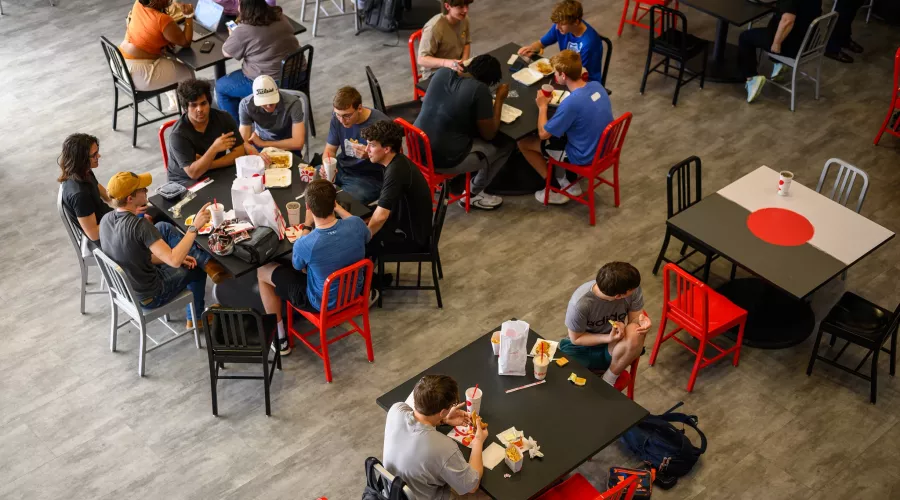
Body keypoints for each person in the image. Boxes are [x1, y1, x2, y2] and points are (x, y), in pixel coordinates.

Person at [99, 172, 228, 328]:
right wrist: (194, 227)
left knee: (162, 228)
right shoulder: (140, 226)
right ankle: (196, 319)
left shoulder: (106, 220)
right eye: (142, 189)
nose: (146, 190)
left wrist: (178, 257)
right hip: (151, 295)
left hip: (129, 289)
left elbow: (136, 255)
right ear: (129, 199)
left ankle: (205, 261)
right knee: (197, 270)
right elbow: (174, 261)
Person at [256, 180, 370, 355]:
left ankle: (280, 339)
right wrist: (338, 208)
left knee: (262, 270)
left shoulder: (307, 243)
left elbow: (297, 265)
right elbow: (366, 234)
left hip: (320, 302)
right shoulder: (357, 225)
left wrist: (307, 225)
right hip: (353, 293)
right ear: (334, 202)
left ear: (308, 207)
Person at [414, 56, 514, 210]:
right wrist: (500, 99)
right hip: (442, 161)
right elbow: (490, 134)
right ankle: (474, 194)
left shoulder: (442, 73)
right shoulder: (480, 90)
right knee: (506, 145)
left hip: (417, 148)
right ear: (489, 82)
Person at [517, 50, 613, 206]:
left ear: (563, 75)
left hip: (584, 156)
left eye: (555, 73)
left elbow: (543, 134)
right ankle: (568, 180)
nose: (554, 76)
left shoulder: (572, 103)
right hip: (604, 147)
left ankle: (552, 189)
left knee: (524, 143)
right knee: (566, 131)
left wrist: (542, 106)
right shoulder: (597, 86)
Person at [383, 375, 489, 500]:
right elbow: (472, 486)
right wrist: (478, 441)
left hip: (391, 491)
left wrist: (443, 419)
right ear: (443, 411)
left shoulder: (396, 409)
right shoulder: (444, 448)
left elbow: (420, 417)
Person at [558, 262, 652, 387]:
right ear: (618, 296)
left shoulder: (632, 290)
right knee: (565, 381)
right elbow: (576, 338)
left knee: (635, 331)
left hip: (613, 347)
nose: (636, 291)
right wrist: (607, 338)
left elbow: (635, 318)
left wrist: (641, 323)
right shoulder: (581, 304)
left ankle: (608, 379)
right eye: (632, 290)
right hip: (580, 348)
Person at [217, 0, 301, 122]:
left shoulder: (244, 30)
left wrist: (233, 35)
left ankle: (236, 132)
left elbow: (226, 52)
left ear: (245, 8)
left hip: (270, 83)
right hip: (297, 75)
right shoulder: (279, 16)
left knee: (221, 87)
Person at [360, 120, 434, 256]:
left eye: (371, 145)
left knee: (354, 241)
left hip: (411, 238)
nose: (366, 150)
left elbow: (381, 216)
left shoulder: (396, 171)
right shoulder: (396, 161)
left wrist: (365, 237)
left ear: (387, 149)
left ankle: (369, 276)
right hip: (400, 220)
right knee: (359, 218)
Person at [737, 0, 822, 103]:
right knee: (773, 25)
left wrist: (777, 43)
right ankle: (779, 65)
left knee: (745, 37)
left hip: (790, 46)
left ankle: (751, 79)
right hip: (809, 43)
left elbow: (788, 21)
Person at [167, 79, 246, 186]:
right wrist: (214, 148)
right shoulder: (178, 135)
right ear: (186, 108)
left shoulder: (223, 118)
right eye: (194, 105)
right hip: (183, 182)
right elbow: (193, 173)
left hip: (215, 173)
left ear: (209, 103)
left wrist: (208, 164)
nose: (200, 109)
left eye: (203, 103)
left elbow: (240, 153)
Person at [120, 0, 196, 110]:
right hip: (137, 74)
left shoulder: (138, 4)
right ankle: (190, 113)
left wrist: (163, 38)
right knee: (187, 73)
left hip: (121, 64)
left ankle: (175, 99)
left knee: (168, 63)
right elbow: (185, 42)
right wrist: (189, 16)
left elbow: (148, 29)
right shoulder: (162, 19)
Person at [323, 87, 390, 206]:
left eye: (347, 116)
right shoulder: (337, 118)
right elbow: (330, 149)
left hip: (368, 178)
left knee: (339, 205)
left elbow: (392, 161)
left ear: (359, 108)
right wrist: (326, 165)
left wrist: (369, 155)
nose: (342, 121)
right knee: (311, 185)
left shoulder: (380, 124)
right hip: (341, 167)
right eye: (338, 115)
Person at [517, 0, 607, 85]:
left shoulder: (589, 44)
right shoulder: (561, 27)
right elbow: (541, 43)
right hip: (567, 74)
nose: (556, 27)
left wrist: (557, 67)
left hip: (585, 82)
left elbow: (581, 75)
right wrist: (531, 49)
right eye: (557, 23)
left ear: (576, 22)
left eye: (561, 24)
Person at [58, 133, 114, 249]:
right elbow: (94, 234)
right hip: (108, 237)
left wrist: (124, 203)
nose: (98, 156)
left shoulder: (83, 171)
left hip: (110, 220)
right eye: (93, 155)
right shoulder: (80, 195)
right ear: (81, 159)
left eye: (97, 152)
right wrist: (123, 215)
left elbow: (105, 194)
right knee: (157, 225)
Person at [239, 75, 306, 157]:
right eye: (264, 102)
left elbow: (298, 143)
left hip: (288, 145)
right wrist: (247, 146)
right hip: (261, 143)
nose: (268, 105)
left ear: (277, 91)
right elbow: (243, 141)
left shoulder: (293, 103)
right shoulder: (246, 105)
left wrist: (264, 144)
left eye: (271, 100)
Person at [417, 0, 473, 81]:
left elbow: (466, 43)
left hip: (456, 68)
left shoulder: (464, 19)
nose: (466, 10)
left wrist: (464, 62)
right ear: (447, 6)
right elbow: (422, 59)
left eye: (467, 5)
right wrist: (447, 63)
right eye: (460, 7)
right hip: (435, 73)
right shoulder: (434, 28)